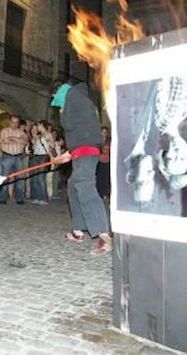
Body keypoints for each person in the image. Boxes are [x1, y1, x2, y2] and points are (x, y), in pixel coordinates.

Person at [51, 80, 112, 253]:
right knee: (73, 186)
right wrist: (68, 153)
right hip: (82, 150)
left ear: (58, 92)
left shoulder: (72, 98)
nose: (55, 103)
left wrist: (62, 112)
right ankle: (78, 230)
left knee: (84, 184)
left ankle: (103, 234)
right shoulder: (79, 98)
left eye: (55, 98)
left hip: (85, 150)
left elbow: (69, 125)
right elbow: (81, 130)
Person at [0, 115, 28, 205]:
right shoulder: (4, 131)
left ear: (18, 123)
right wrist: (19, 140)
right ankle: (3, 198)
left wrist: (12, 138)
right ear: (9, 122)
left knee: (20, 178)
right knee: (5, 178)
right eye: (13, 122)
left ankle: (19, 198)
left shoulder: (21, 132)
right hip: (7, 156)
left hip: (18, 157)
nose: (14, 124)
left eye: (16, 122)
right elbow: (5, 141)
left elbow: (25, 142)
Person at [30, 120, 55, 205]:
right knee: (36, 178)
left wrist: (47, 141)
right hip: (36, 156)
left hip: (43, 157)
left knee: (41, 178)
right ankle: (37, 197)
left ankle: (44, 198)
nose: (37, 127)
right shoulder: (38, 135)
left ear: (41, 125)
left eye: (38, 126)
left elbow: (52, 146)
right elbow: (33, 146)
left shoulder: (48, 134)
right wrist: (34, 137)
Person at [96, 126, 111, 200]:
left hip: (108, 161)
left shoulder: (110, 141)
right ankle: (100, 193)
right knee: (99, 178)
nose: (104, 133)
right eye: (102, 132)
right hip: (99, 161)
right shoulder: (97, 141)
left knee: (107, 178)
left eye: (105, 132)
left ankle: (106, 193)